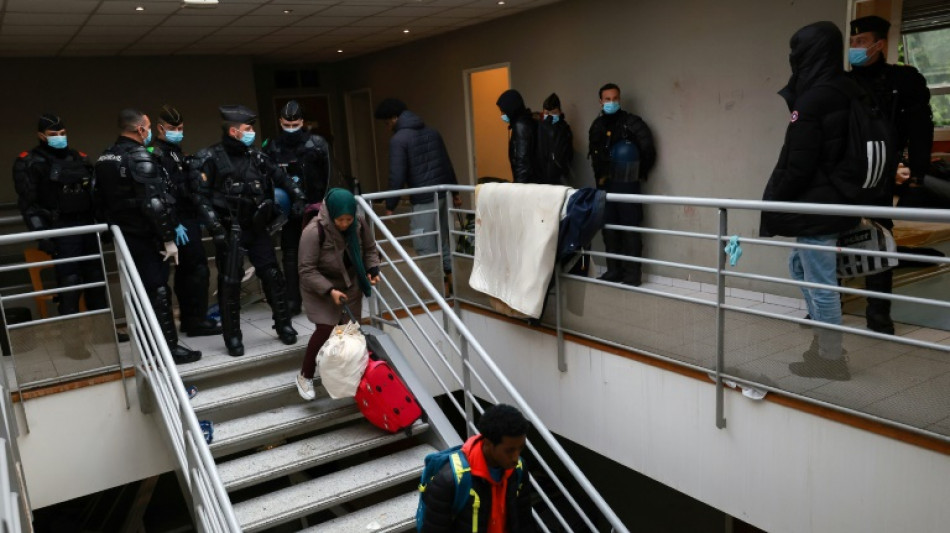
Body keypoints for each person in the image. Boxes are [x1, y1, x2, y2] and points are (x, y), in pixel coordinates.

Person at [760, 21, 860, 381]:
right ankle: (824, 343)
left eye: (797, 51)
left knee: (820, 281)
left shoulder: (815, 97)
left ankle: (831, 357)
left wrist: (775, 199)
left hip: (818, 205)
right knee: (801, 268)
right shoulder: (848, 88)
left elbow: (799, 160)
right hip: (837, 200)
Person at [189, 105, 306, 357]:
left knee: (273, 275)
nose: (252, 132)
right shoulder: (210, 158)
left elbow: (282, 178)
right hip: (229, 229)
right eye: (248, 129)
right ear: (234, 131)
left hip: (258, 228)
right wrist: (215, 228)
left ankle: (284, 325)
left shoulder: (257, 157)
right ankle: (232, 337)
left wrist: (297, 196)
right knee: (230, 284)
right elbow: (199, 196)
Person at [848, 15, 934, 335]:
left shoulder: (904, 80)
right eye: (851, 42)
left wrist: (916, 176)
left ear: (879, 45)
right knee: (834, 237)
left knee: (879, 240)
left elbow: (920, 130)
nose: (854, 48)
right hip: (847, 174)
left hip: (883, 175)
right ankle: (824, 307)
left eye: (860, 42)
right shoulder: (843, 82)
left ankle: (878, 313)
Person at [94, 109, 201, 364]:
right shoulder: (139, 156)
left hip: (123, 234)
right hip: (144, 235)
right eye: (149, 126)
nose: (150, 131)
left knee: (140, 292)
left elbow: (97, 199)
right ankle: (168, 350)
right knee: (158, 291)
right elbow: (154, 203)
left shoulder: (106, 156)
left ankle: (149, 344)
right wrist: (168, 239)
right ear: (140, 129)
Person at [13, 113, 108, 317]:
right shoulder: (31, 162)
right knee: (70, 283)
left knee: (96, 279)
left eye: (63, 133)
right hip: (59, 227)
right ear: (41, 135)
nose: (59, 136)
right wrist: (42, 234)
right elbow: (28, 204)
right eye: (53, 133)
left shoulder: (79, 158)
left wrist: (102, 223)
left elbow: (93, 194)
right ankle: (73, 339)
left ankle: (105, 333)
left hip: (86, 225)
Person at [295, 188, 380, 400]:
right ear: (332, 214)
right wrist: (329, 290)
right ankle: (305, 375)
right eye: (340, 220)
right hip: (319, 286)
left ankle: (344, 377)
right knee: (325, 328)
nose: (344, 224)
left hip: (349, 283)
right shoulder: (314, 231)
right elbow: (306, 270)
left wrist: (372, 269)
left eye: (347, 219)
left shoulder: (358, 224)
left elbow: (370, 250)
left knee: (349, 333)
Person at [150, 104, 221, 338]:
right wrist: (175, 222)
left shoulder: (176, 152)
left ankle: (194, 318)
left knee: (193, 270)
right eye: (172, 128)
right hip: (177, 221)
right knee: (193, 270)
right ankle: (192, 320)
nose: (178, 131)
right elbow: (162, 192)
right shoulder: (157, 155)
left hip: (188, 219)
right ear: (160, 128)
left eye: (180, 128)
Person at [374, 98, 460, 277]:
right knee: (441, 239)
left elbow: (397, 175)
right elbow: (447, 164)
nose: (386, 126)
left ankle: (436, 287)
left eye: (386, 122)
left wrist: (390, 205)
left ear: (394, 118)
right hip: (443, 195)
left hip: (423, 198)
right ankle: (451, 283)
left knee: (423, 243)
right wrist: (456, 192)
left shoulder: (398, 140)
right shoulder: (433, 132)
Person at [419, 403, 535, 533]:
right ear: (488, 443)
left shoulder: (518, 469)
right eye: (509, 451)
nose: (516, 457)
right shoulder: (450, 480)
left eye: (520, 448)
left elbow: (524, 521)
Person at [264, 100, 333, 315]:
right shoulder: (273, 147)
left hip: (315, 207)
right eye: (287, 123)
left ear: (302, 122)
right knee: (291, 256)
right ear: (280, 122)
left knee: (321, 254)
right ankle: (293, 300)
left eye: (295, 123)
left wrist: (322, 205)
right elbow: (268, 180)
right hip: (288, 211)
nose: (291, 127)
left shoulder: (318, 144)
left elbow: (329, 176)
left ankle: (324, 295)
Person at [588, 83, 656, 286]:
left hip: (627, 186)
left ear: (620, 99)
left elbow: (648, 150)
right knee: (609, 229)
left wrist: (636, 174)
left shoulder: (632, 123)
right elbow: (595, 157)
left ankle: (632, 275)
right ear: (600, 101)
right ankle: (613, 271)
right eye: (607, 99)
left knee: (630, 229)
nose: (611, 103)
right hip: (604, 187)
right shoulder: (596, 126)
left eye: (615, 98)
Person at [496, 89, 540, 184]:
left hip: (526, 184)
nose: (502, 115)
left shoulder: (521, 126)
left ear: (511, 109)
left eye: (504, 112)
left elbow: (522, 160)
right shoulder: (527, 121)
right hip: (533, 181)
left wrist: (518, 187)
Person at [536, 93, 573, 186]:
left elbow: (566, 154)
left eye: (554, 113)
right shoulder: (537, 128)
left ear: (560, 112)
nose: (550, 116)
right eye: (547, 113)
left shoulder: (564, 129)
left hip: (559, 177)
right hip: (540, 177)